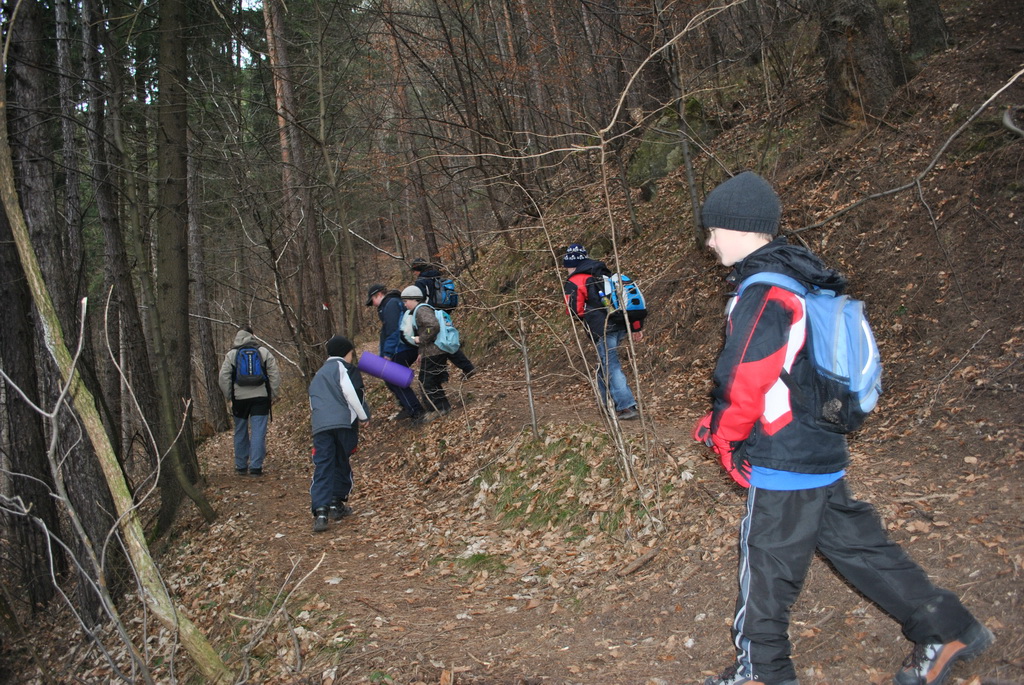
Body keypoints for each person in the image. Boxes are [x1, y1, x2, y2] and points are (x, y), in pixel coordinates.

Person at [694, 171, 993, 685]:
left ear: (736, 228)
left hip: (783, 453)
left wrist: (725, 438)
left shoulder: (764, 292)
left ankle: (761, 671)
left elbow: (743, 377)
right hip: (819, 444)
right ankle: (949, 628)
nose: (709, 242)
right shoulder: (802, 280)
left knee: (766, 568)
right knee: (859, 548)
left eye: (712, 230)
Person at [562, 243, 642, 420]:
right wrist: (635, 327)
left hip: (603, 328)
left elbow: (574, 310)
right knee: (604, 363)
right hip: (620, 323)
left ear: (571, 264)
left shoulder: (576, 280)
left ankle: (627, 406)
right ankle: (607, 403)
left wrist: (586, 316)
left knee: (611, 365)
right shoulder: (603, 273)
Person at [308, 335, 370, 533]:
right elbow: (352, 394)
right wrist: (363, 416)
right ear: (345, 353)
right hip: (343, 423)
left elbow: (312, 401)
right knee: (341, 460)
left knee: (323, 464)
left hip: (320, 427)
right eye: (351, 353)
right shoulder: (344, 368)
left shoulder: (318, 374)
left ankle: (321, 511)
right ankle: (336, 502)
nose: (352, 357)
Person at [218, 327, 281, 476]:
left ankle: (241, 466)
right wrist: (272, 394)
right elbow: (274, 374)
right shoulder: (263, 352)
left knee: (240, 430)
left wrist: (230, 396)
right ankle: (255, 467)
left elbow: (223, 377)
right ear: (252, 336)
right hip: (260, 397)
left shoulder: (232, 354)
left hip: (239, 399)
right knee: (258, 431)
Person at [366, 283, 426, 422]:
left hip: (402, 348)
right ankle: (408, 407)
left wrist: (387, 353)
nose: (373, 304)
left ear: (379, 295)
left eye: (372, 300)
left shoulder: (391, 304)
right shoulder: (391, 304)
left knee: (395, 379)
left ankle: (416, 412)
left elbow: (393, 330)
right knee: (391, 379)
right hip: (403, 346)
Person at [411, 258, 476, 379]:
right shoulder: (436, 276)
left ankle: (463, 368)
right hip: (443, 312)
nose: (414, 273)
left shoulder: (421, 282)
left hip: (431, 314)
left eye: (414, 270)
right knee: (444, 341)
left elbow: (421, 299)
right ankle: (461, 369)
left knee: (441, 343)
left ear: (418, 269)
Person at [399, 285, 450, 422]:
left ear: (413, 299)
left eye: (406, 301)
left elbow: (432, 326)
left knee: (426, 382)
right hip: (430, 352)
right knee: (430, 380)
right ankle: (442, 406)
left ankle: (437, 409)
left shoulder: (421, 310)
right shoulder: (419, 310)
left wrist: (421, 338)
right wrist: (421, 353)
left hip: (434, 352)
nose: (405, 305)